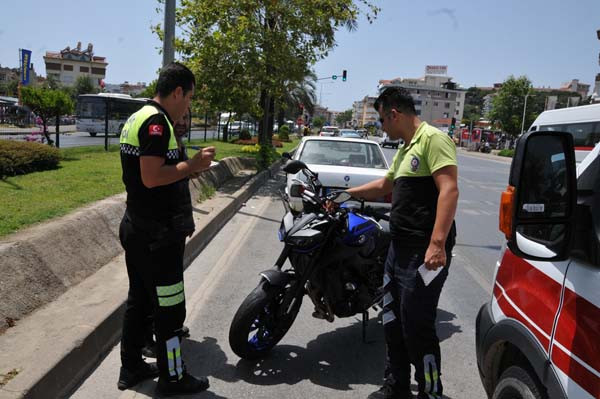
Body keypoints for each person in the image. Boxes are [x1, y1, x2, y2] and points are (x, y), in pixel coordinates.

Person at [345, 87, 458, 399]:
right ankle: (396, 387)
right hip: (398, 249)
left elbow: (449, 190)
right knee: (392, 320)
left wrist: (438, 244)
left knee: (417, 327)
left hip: (423, 254)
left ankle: (430, 391)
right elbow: (385, 185)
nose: (382, 126)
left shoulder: (433, 139)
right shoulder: (406, 148)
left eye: (382, 120)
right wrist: (346, 195)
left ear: (394, 113)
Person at [117, 62, 216, 396]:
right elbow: (152, 176)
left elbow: (159, 174)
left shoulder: (139, 116)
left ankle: (130, 368)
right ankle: (173, 377)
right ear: (177, 92)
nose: (188, 105)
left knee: (140, 301)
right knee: (171, 310)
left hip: (139, 228)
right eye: (188, 98)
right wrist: (193, 165)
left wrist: (187, 169)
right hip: (157, 236)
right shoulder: (157, 124)